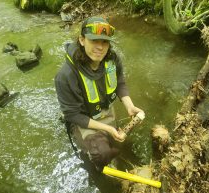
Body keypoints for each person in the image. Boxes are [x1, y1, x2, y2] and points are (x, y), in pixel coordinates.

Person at [55, 16, 144, 171]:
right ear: (82, 40)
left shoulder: (112, 59)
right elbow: (73, 115)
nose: (100, 47)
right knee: (101, 154)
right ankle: (97, 167)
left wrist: (129, 106)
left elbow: (120, 83)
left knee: (120, 145)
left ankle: (116, 156)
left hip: (106, 113)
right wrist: (108, 129)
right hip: (84, 120)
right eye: (94, 41)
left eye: (104, 42)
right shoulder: (65, 75)